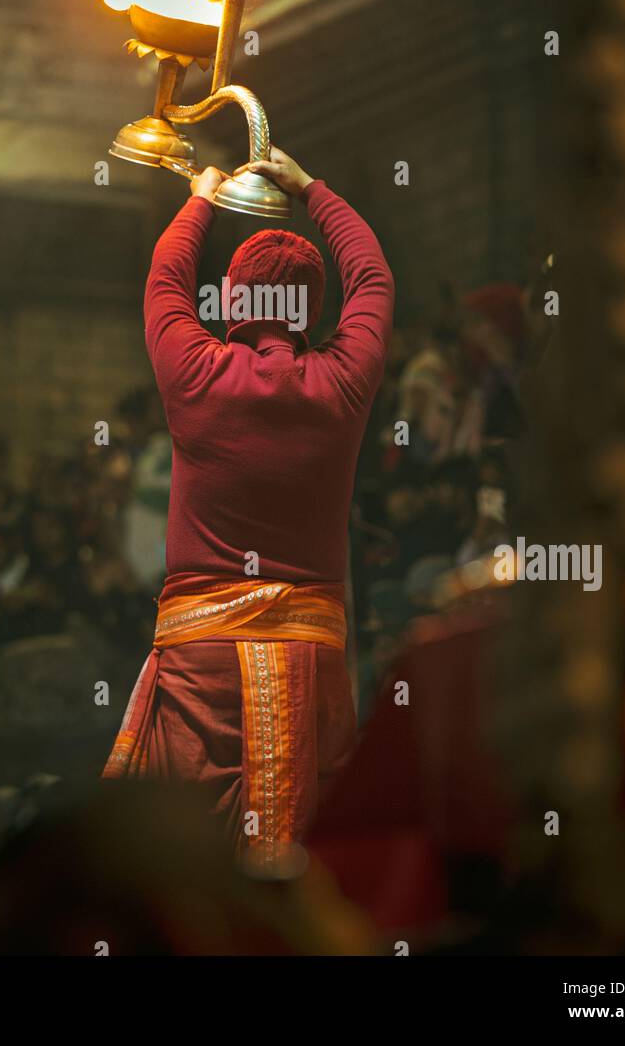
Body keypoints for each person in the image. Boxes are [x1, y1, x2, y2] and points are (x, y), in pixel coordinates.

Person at [103, 147, 394, 861]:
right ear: (312, 305)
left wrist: (199, 198)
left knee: (187, 863)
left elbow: (165, 276)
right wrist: (310, 188)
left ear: (231, 299)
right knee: (291, 862)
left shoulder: (192, 371)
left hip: (201, 661)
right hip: (309, 657)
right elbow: (373, 276)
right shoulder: (342, 383)